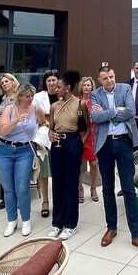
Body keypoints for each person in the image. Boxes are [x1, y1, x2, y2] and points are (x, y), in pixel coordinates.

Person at [90, 65, 138, 254]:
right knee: (108, 188)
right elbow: (95, 116)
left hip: (124, 143)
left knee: (128, 189)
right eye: (105, 78)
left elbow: (131, 112)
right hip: (105, 144)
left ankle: (136, 234)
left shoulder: (125, 88)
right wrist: (115, 111)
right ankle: (111, 228)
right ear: (99, 80)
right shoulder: (95, 94)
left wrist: (107, 113)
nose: (109, 80)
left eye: (111, 76)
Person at [0, 83, 45, 237]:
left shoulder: (36, 108)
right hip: (4, 149)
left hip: (25, 150)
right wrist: (16, 120)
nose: (30, 99)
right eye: (27, 96)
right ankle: (11, 220)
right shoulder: (9, 109)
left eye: (32, 96)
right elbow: (1, 131)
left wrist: (42, 136)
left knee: (22, 188)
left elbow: (43, 122)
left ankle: (26, 219)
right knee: (8, 188)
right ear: (20, 96)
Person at [47, 70, 90, 240]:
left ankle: (70, 224)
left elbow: (87, 127)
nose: (55, 88)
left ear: (68, 88)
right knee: (57, 183)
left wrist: (80, 143)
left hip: (73, 141)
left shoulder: (81, 104)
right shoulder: (54, 106)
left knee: (71, 183)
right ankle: (57, 222)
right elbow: (50, 127)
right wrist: (50, 134)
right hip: (57, 144)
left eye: (58, 86)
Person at [0, 73, 19, 210]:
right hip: (2, 136)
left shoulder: (20, 96)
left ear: (13, 82)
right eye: (2, 83)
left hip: (17, 136)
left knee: (17, 171)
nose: (5, 84)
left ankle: (18, 197)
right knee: (3, 169)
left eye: (7, 81)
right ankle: (5, 198)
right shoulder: (2, 98)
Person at [32, 69, 59, 217]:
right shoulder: (38, 97)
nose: (51, 83)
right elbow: (34, 117)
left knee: (58, 171)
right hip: (43, 137)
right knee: (43, 171)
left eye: (54, 80)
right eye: (48, 81)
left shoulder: (63, 95)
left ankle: (58, 201)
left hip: (60, 137)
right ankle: (45, 201)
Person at [78, 76, 100, 203]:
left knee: (93, 163)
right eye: (84, 85)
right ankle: (79, 188)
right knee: (79, 164)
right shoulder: (76, 100)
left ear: (92, 87)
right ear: (81, 87)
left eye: (88, 85)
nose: (86, 87)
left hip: (92, 133)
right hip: (79, 134)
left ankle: (93, 187)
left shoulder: (95, 101)